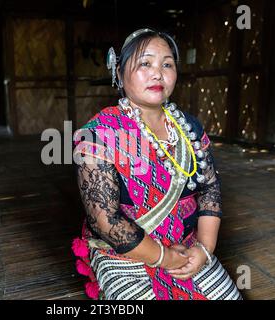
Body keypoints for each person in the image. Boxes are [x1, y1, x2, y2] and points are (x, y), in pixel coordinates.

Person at [71, 28, 242, 300]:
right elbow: (106, 223)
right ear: (118, 73)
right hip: (124, 253)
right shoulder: (99, 134)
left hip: (188, 247)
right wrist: (163, 258)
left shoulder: (189, 127)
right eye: (145, 63)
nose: (157, 73)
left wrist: (204, 250)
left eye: (167, 64)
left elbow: (210, 189)